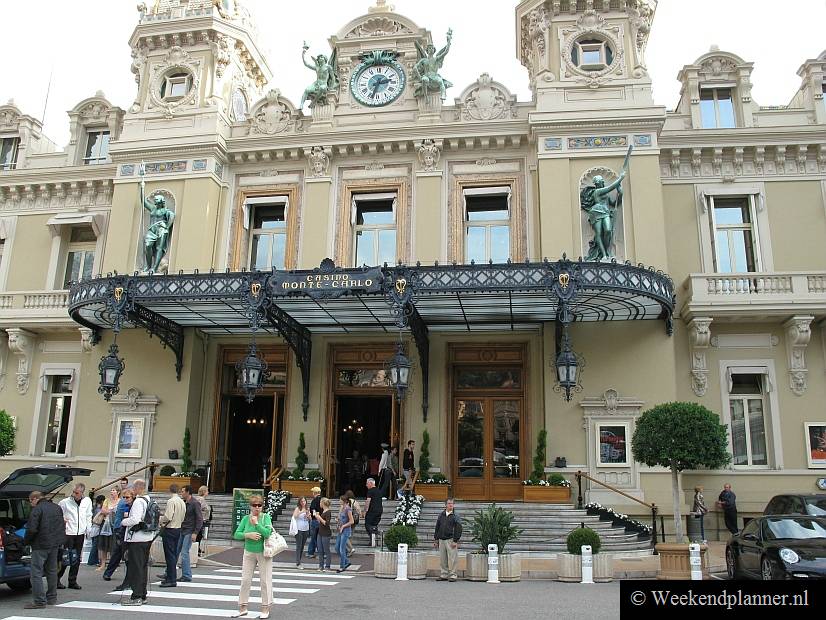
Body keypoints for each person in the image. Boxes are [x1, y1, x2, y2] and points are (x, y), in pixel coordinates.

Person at [233, 494, 273, 619]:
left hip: (263, 552)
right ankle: (243, 607)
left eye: (259, 505)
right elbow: (236, 534)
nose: (257, 508)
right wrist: (248, 534)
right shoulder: (245, 519)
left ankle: (265, 607)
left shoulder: (266, 517)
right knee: (245, 580)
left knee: (265, 580)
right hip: (249, 552)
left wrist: (257, 524)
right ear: (250, 506)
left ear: (262, 506)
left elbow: (267, 533)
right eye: (254, 505)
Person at [23, 491, 65, 609]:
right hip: (54, 544)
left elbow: (31, 529)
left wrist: (25, 542)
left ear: (35, 499)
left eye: (30, 501)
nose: (30, 503)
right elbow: (61, 525)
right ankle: (51, 598)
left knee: (36, 572)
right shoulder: (56, 508)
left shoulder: (37, 510)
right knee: (51, 571)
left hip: (40, 544)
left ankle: (39, 601)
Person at [120, 479, 155, 606]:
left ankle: (136, 596)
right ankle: (142, 594)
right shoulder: (149, 500)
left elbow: (135, 519)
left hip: (137, 538)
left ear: (137, 488)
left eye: (133, 488)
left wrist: (124, 522)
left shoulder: (139, 501)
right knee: (143, 567)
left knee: (136, 568)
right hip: (147, 537)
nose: (133, 490)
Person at [57, 483, 92, 590]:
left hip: (80, 533)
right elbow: (58, 514)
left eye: (76, 493)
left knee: (76, 558)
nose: (74, 494)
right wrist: (62, 520)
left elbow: (88, 515)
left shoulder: (87, 501)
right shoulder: (65, 502)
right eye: (73, 492)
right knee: (65, 557)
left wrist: (88, 529)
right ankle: (57, 579)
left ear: (82, 493)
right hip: (68, 533)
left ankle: (72, 580)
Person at [159, 484, 186, 587]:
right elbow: (183, 516)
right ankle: (171, 577)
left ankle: (171, 578)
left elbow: (168, 516)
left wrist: (161, 519)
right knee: (173, 554)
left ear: (169, 490)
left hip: (170, 528)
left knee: (169, 555)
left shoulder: (171, 501)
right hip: (178, 528)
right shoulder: (182, 502)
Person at [102, 488, 131, 584]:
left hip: (117, 528)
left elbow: (113, 514)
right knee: (125, 552)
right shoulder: (125, 504)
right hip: (122, 529)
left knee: (117, 553)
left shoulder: (121, 502)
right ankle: (129, 576)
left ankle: (108, 573)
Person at [176, 485, 203, 583]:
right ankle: (169, 572)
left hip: (189, 530)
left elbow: (200, 519)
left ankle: (186, 575)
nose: (181, 493)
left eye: (183, 491)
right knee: (176, 551)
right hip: (182, 529)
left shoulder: (195, 503)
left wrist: (195, 532)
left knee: (184, 552)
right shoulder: (184, 503)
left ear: (188, 492)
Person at [434, 499, 463, 582]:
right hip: (441, 540)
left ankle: (453, 575)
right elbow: (437, 527)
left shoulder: (455, 516)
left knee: (453, 558)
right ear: (445, 505)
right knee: (443, 559)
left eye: (452, 503)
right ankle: (444, 574)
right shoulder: (441, 515)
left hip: (451, 540)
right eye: (449, 503)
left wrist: (455, 540)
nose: (451, 505)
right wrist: (436, 539)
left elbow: (459, 528)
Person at [96, 488, 119, 571]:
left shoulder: (120, 501)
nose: (112, 492)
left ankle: (112, 565)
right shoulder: (106, 500)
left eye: (114, 490)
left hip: (115, 525)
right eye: (111, 490)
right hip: (106, 524)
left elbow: (119, 512)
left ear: (118, 492)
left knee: (113, 546)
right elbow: (103, 510)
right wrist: (111, 511)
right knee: (104, 545)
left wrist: (109, 511)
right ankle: (102, 564)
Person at [336, 495, 354, 573]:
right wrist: (338, 520)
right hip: (341, 530)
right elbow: (340, 517)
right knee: (337, 547)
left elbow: (351, 521)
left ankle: (342, 566)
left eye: (340, 500)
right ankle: (346, 561)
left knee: (341, 548)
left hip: (346, 530)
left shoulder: (348, 509)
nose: (339, 501)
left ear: (344, 501)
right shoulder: (342, 508)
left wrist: (343, 526)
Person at [86, 495, 105, 568]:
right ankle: (91, 560)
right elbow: (97, 520)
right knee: (95, 545)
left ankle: (94, 560)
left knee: (94, 545)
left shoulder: (94, 508)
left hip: (93, 528)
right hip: (97, 528)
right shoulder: (99, 510)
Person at [292, 496, 310, 569]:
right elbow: (294, 516)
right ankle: (298, 563)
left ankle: (299, 561)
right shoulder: (297, 508)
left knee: (302, 546)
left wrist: (308, 516)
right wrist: (302, 511)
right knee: (299, 546)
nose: (303, 503)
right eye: (302, 501)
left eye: (304, 501)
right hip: (299, 529)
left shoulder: (307, 508)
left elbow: (308, 518)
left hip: (305, 528)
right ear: (299, 502)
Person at [194, 486, 212, 561]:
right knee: (199, 535)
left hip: (198, 520)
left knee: (199, 535)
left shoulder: (197, 499)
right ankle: (196, 549)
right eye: (207, 491)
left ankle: (197, 548)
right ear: (204, 492)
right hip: (199, 520)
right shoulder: (201, 499)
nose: (208, 492)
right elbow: (203, 509)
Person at [363, 477, 383, 547]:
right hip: (379, 510)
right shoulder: (379, 491)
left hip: (372, 511)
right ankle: (374, 539)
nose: (366, 485)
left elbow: (368, 501)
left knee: (367, 524)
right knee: (374, 525)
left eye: (367, 483)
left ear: (371, 483)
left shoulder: (370, 491)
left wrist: (365, 511)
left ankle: (372, 538)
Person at [314, 498, 332, 572]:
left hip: (326, 533)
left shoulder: (328, 512)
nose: (319, 504)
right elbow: (321, 522)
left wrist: (319, 518)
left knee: (326, 550)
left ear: (323, 503)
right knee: (320, 550)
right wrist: (317, 517)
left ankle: (327, 566)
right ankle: (321, 566)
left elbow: (327, 523)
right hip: (320, 532)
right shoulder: (323, 511)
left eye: (320, 503)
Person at [306, 486, 322, 560]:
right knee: (319, 537)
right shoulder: (322, 500)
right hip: (321, 520)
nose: (312, 493)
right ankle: (315, 552)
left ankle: (312, 552)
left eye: (313, 492)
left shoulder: (314, 500)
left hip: (315, 520)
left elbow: (313, 510)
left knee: (314, 537)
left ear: (315, 493)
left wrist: (314, 516)